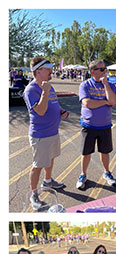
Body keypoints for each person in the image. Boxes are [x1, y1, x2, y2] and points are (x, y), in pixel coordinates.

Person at [23, 57, 69, 210]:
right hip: (40, 135)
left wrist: (61, 111)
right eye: (48, 68)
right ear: (38, 71)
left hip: (53, 132)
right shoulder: (31, 90)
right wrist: (45, 91)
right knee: (37, 165)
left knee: (50, 159)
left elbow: (54, 102)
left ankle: (48, 181)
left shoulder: (49, 87)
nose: (51, 71)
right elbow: (41, 111)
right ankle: (34, 194)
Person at [76, 59, 116, 189]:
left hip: (105, 125)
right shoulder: (85, 85)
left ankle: (107, 173)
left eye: (105, 69)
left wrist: (106, 85)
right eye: (101, 69)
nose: (104, 71)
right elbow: (87, 103)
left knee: (105, 152)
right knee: (86, 153)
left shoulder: (110, 85)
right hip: (89, 126)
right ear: (93, 71)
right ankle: (83, 174)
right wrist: (104, 102)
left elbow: (113, 101)